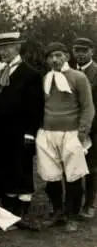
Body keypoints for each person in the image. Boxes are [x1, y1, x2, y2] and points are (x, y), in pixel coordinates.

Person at [37, 42, 94, 232]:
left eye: (58, 55)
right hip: (48, 132)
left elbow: (88, 107)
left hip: (71, 134)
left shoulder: (78, 77)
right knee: (51, 175)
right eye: (51, 56)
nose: (55, 60)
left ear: (66, 57)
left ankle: (72, 215)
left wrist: (81, 134)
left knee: (73, 176)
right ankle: (57, 211)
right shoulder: (46, 77)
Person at [0, 32, 45, 230]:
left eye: (7, 48)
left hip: (22, 130)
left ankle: (23, 204)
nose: (3, 52)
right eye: (1, 48)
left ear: (17, 48)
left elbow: (35, 106)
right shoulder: (4, 71)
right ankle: (11, 200)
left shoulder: (30, 73)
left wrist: (30, 132)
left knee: (22, 165)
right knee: (8, 164)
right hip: (5, 130)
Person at [72, 37, 97, 219]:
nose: (80, 55)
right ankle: (73, 203)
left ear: (91, 52)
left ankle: (90, 203)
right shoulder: (70, 72)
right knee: (73, 165)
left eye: (84, 51)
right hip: (73, 125)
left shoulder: (96, 72)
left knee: (92, 167)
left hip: (94, 127)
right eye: (77, 51)